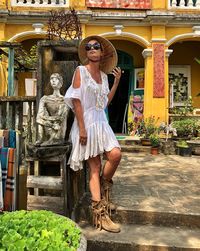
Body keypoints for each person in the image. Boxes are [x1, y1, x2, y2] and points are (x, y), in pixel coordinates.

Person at [64, 35, 122, 233]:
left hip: (101, 122)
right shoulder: (80, 71)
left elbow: (104, 103)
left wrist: (115, 83)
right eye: (88, 47)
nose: (92, 49)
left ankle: (104, 191)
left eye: (96, 46)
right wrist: (81, 128)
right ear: (86, 53)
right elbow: (77, 100)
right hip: (86, 123)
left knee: (115, 154)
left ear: (102, 52)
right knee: (95, 166)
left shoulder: (104, 77)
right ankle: (100, 214)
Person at [36, 73, 69, 146]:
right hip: (49, 125)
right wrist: (51, 124)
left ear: (60, 82)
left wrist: (53, 122)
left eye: (56, 79)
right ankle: (41, 138)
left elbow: (62, 117)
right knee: (39, 118)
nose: (53, 80)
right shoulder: (45, 98)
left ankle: (56, 139)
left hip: (59, 127)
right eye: (51, 79)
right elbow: (39, 117)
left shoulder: (65, 99)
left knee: (63, 107)